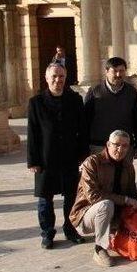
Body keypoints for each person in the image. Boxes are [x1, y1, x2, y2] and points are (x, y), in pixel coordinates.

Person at [27, 63, 88, 249]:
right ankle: (47, 233)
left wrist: (83, 156)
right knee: (45, 199)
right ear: (46, 79)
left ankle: (70, 229)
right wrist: (33, 161)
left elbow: (82, 131)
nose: (58, 80)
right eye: (54, 76)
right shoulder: (36, 102)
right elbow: (32, 133)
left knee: (71, 196)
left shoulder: (75, 100)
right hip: (46, 159)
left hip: (70, 157)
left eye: (61, 76)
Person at [69, 130, 137, 267]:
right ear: (108, 144)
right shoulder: (92, 163)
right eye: (116, 144)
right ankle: (99, 249)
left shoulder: (128, 167)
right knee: (105, 204)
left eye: (125, 146)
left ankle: (114, 234)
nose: (120, 149)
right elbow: (93, 196)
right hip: (85, 216)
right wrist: (124, 200)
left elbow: (133, 196)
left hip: (114, 217)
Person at [84, 57, 137, 161]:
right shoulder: (95, 92)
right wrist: (84, 146)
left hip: (124, 147)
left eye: (121, 71)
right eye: (115, 71)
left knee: (124, 177)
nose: (118, 74)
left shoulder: (131, 92)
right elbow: (85, 121)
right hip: (99, 146)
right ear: (106, 71)